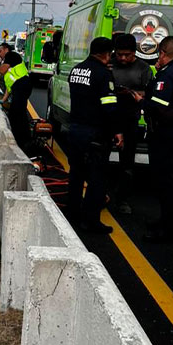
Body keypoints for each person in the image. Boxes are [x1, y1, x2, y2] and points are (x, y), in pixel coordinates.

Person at [133, 36, 173, 240]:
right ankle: (169, 222)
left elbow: (157, 106)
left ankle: (166, 229)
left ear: (164, 54)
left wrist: (141, 101)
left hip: (164, 134)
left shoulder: (167, 75)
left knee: (164, 182)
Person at [67, 37, 123, 234]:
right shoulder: (103, 75)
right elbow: (109, 107)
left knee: (76, 174)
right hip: (95, 133)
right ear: (107, 54)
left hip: (75, 129)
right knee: (96, 178)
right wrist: (117, 131)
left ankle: (72, 212)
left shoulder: (76, 70)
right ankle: (90, 221)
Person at [110, 34, 151, 214]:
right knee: (99, 160)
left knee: (127, 163)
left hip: (130, 121)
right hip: (108, 119)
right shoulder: (108, 64)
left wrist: (133, 93)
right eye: (119, 55)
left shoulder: (143, 68)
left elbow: (149, 93)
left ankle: (122, 199)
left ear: (134, 53)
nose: (123, 58)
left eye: (127, 55)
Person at [0, 42, 32, 152]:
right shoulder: (8, 61)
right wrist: (2, 100)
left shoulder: (11, 56)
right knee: (16, 113)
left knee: (18, 113)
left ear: (6, 49)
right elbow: (8, 88)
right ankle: (21, 140)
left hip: (22, 85)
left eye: (0, 51)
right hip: (18, 87)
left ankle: (24, 141)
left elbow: (2, 70)